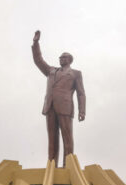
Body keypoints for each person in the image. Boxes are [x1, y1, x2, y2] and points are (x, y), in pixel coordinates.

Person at [31, 30, 86, 166]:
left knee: (67, 137)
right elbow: (38, 61)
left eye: (64, 57)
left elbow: (81, 93)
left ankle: (68, 165)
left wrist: (82, 111)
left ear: (69, 60)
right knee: (52, 137)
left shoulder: (75, 73)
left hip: (65, 107)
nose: (61, 59)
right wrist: (35, 43)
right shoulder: (51, 71)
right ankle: (52, 164)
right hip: (50, 106)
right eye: (60, 57)